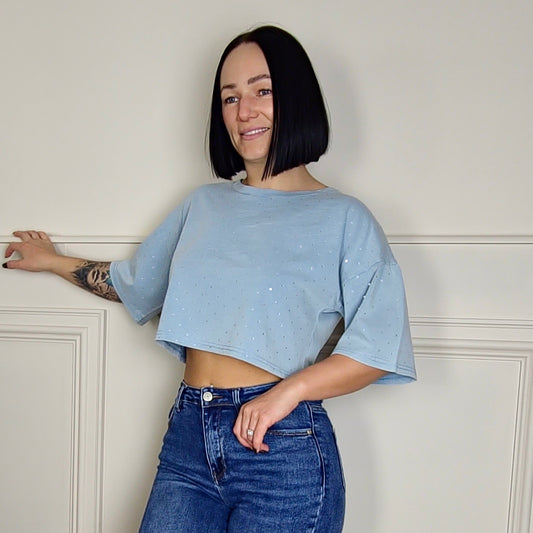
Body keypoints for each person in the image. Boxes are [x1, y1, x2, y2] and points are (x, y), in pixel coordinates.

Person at [3, 25, 416, 533]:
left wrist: (287, 393)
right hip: (188, 437)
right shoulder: (203, 205)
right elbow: (135, 284)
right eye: (230, 98)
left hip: (281, 449)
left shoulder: (344, 218)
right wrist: (52, 260)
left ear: (296, 98)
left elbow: (377, 348)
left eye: (263, 91)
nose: (244, 112)